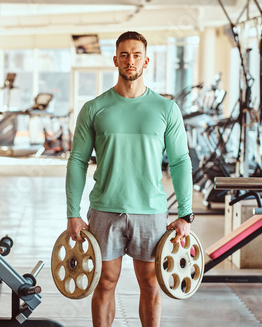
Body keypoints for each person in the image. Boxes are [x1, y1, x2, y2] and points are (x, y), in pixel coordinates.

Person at [65, 31, 194, 327]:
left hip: (150, 210)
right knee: (105, 282)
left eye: (136, 54)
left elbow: (180, 161)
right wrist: (72, 213)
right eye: (124, 54)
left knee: (150, 284)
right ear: (115, 60)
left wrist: (185, 213)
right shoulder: (94, 108)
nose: (130, 60)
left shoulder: (166, 109)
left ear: (146, 61)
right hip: (105, 209)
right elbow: (77, 161)